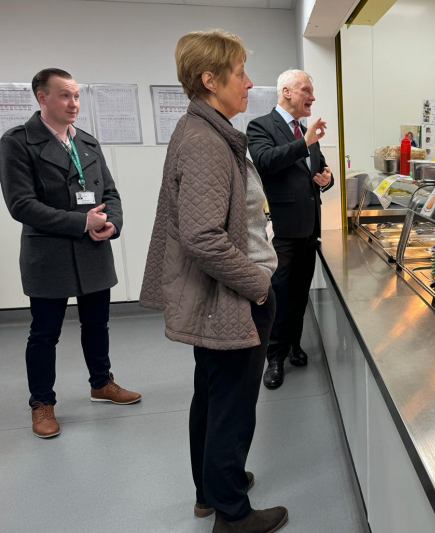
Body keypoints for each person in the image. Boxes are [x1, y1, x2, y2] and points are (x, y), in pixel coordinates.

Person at [139, 30, 285, 532]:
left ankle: (211, 488)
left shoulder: (207, 129)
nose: (248, 82)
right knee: (232, 401)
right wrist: (259, 285)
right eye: (240, 72)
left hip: (230, 290)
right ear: (210, 79)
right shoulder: (206, 141)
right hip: (236, 293)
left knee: (213, 391)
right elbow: (203, 238)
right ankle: (232, 514)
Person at [0, 68, 140, 439]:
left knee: (98, 325)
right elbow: (21, 205)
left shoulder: (88, 143)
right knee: (44, 334)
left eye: (76, 96)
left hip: (93, 251)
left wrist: (113, 224)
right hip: (50, 253)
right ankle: (41, 403)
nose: (74, 103)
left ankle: (101, 383)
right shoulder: (17, 142)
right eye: (64, 96)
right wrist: (82, 223)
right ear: (41, 98)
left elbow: (110, 193)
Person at [247, 69, 333, 390]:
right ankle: (274, 357)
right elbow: (266, 161)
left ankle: (294, 344)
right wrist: (305, 141)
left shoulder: (305, 131)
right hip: (280, 231)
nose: (312, 97)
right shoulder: (261, 126)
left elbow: (319, 169)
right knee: (278, 296)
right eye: (306, 90)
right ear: (286, 92)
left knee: (299, 293)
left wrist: (327, 179)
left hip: (309, 229)